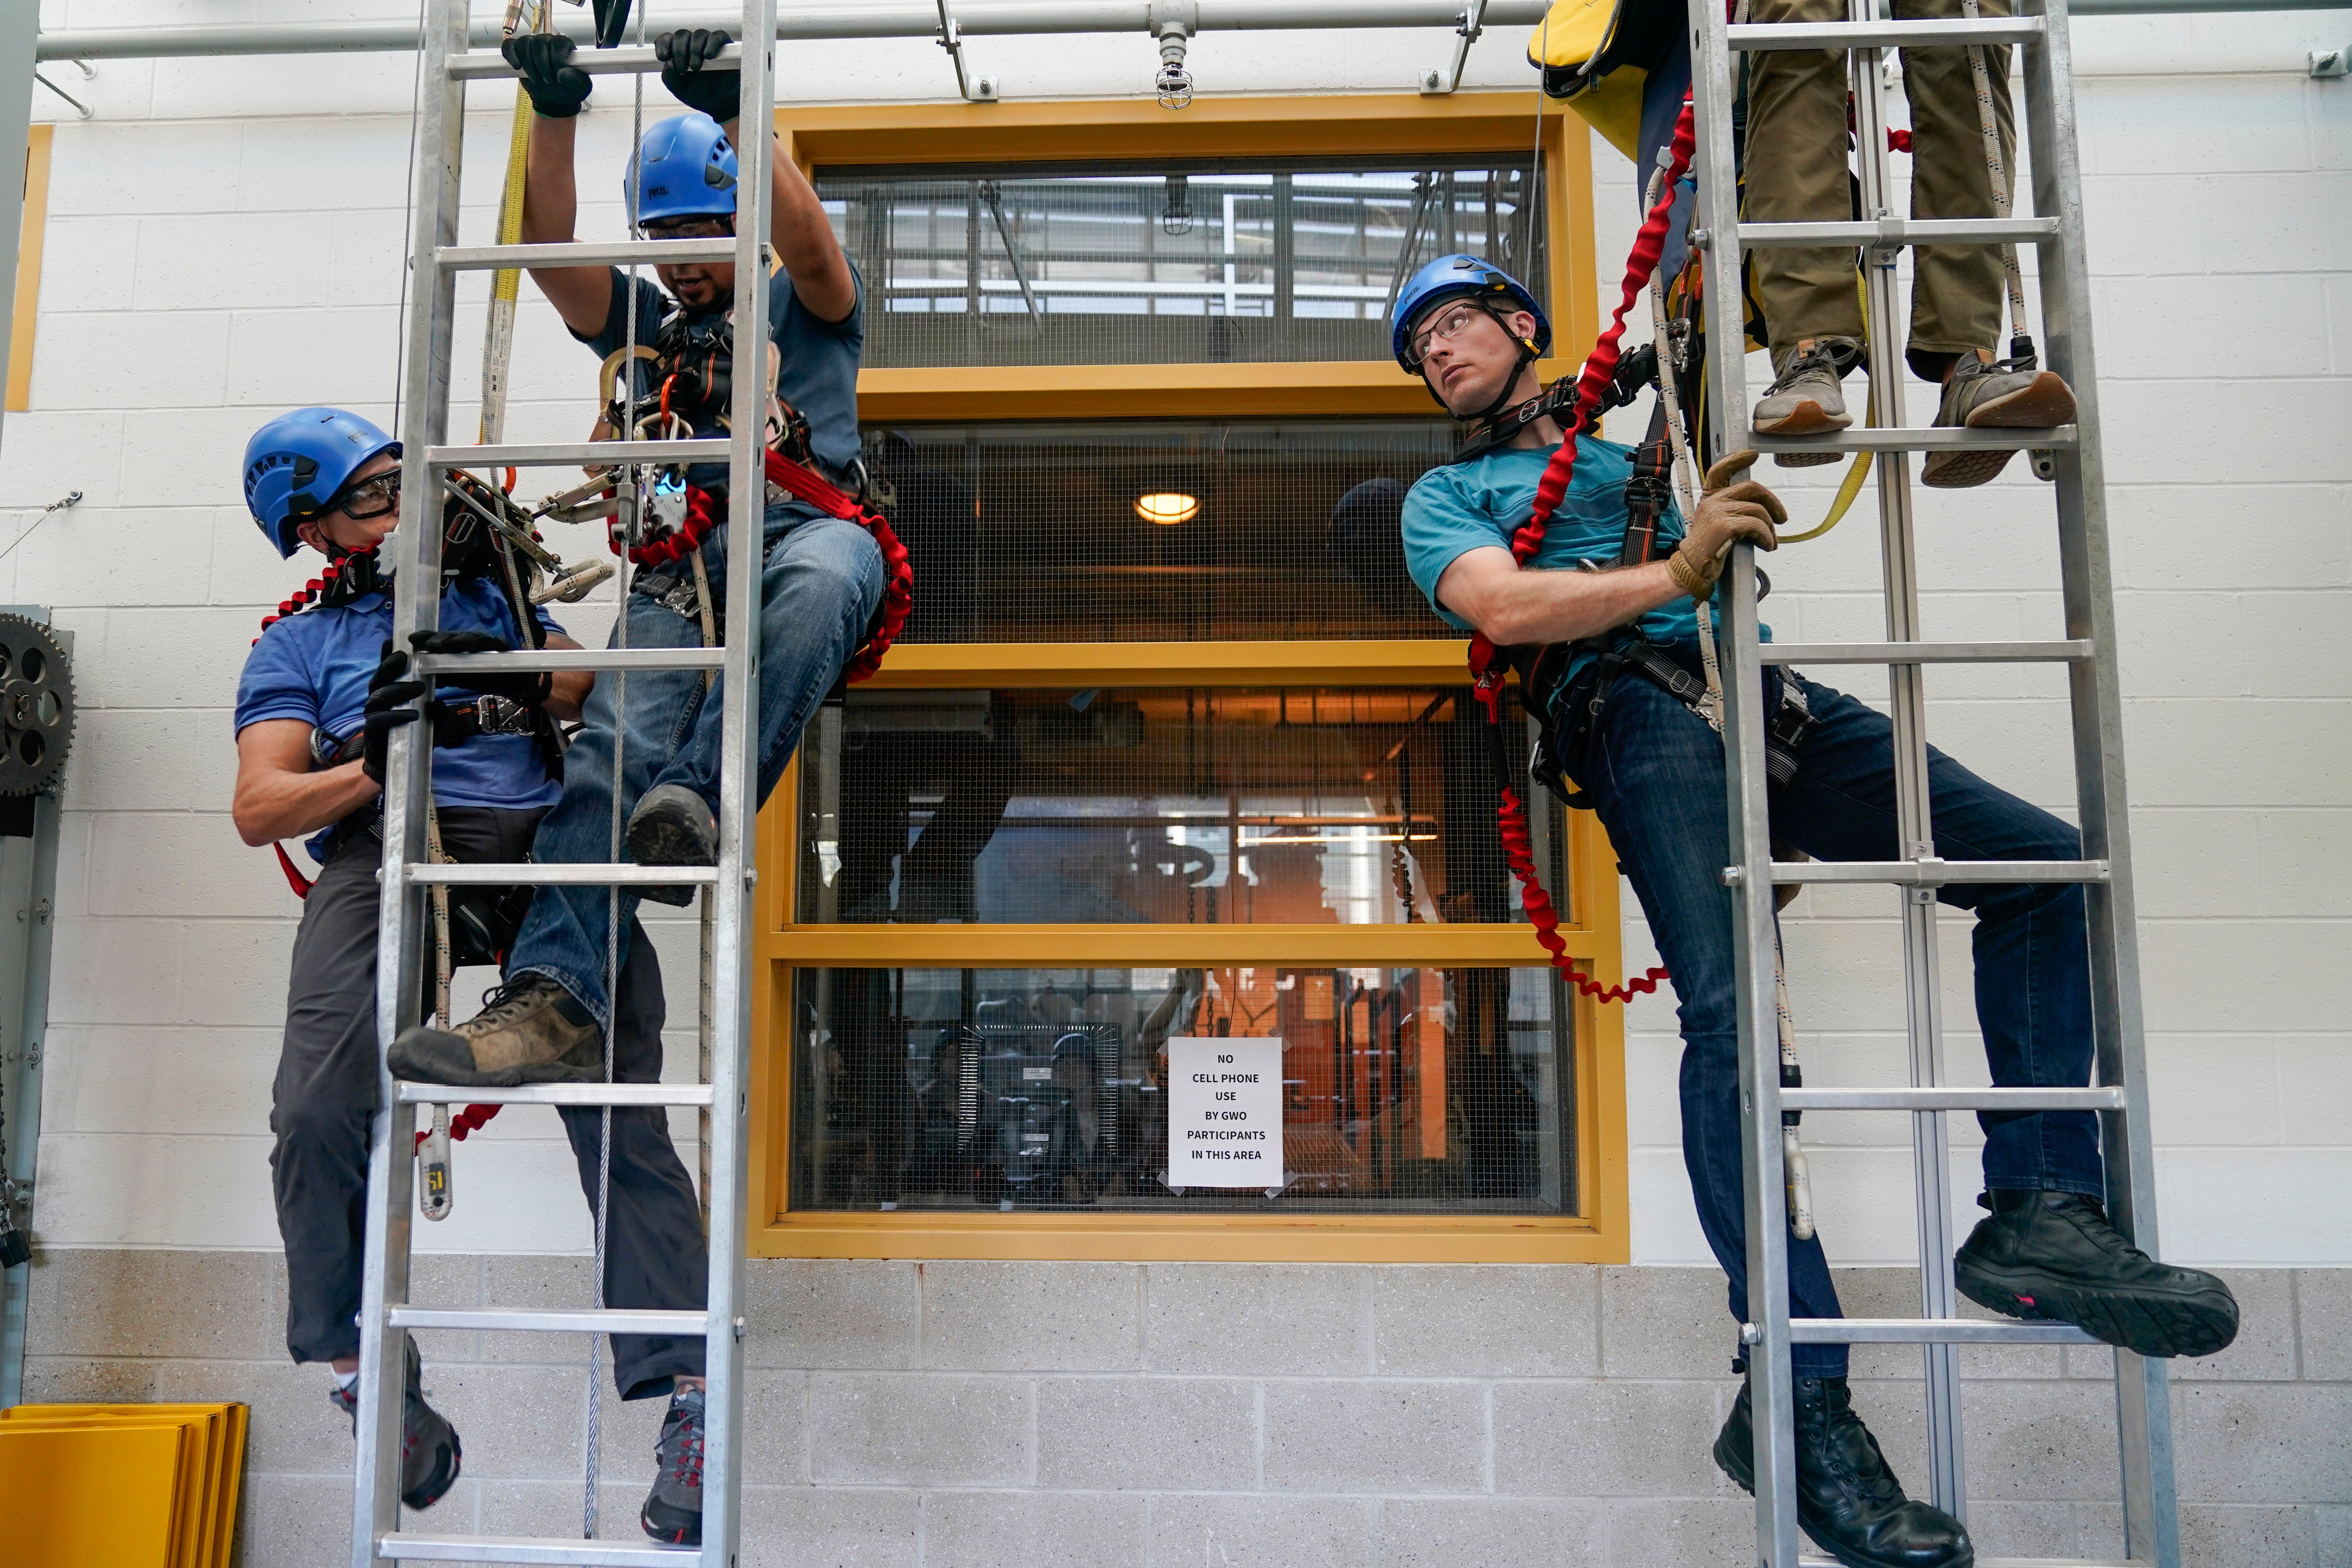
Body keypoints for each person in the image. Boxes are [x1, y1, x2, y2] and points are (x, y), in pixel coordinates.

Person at [1386, 258, 2240, 1568]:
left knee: (2041, 868)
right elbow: (1504, 605)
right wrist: (1677, 568)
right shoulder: (1448, 496)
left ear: (1518, 328)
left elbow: (1744, 355)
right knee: (1737, 1032)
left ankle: (2042, 1207)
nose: (1440, 353)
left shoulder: (1642, 438)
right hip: (1636, 714)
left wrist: (1708, 317)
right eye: (1421, 346)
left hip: (1764, 701)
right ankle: (1803, 1397)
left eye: (1456, 325)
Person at [231, 407, 713, 1543]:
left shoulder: (500, 588)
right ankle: (364, 1375)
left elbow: (599, 700)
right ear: (316, 533)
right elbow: (260, 807)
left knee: (620, 1111)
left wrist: (520, 662)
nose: (403, 508)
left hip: (545, 850)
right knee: (312, 1109)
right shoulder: (300, 646)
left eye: (405, 481)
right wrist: (372, 756)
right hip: (392, 852)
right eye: (372, 498)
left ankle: (690, 1399)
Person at [390, 33, 881, 1082]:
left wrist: (742, 112)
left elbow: (811, 247)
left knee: (828, 579)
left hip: (804, 532)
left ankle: (693, 808)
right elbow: (552, 253)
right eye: (663, 234)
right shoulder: (648, 326)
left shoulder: (803, 307)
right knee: (612, 745)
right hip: (681, 565)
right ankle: (554, 997)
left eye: (705, 228)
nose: (684, 255)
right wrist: (556, 112)